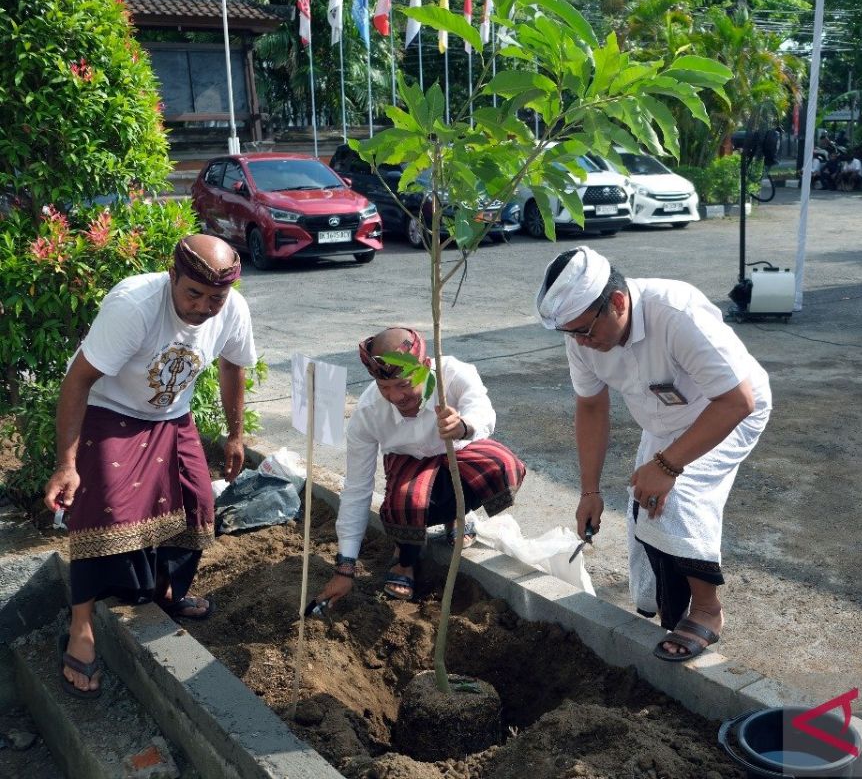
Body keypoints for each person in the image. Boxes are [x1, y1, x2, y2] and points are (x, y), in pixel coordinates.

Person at [43, 234, 257, 698]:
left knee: (197, 503)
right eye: (192, 294)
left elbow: (233, 366)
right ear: (172, 275)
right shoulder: (134, 305)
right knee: (102, 514)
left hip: (170, 413)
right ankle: (82, 625)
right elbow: (78, 381)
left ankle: (165, 592)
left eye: (214, 298)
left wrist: (235, 433)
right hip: (106, 406)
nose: (202, 307)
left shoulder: (233, 308)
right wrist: (67, 463)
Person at [535, 247, 771, 662]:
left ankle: (707, 611)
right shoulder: (582, 337)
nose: (581, 342)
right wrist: (589, 492)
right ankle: (669, 607)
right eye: (570, 334)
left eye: (585, 331)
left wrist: (666, 465)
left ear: (619, 302)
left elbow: (737, 401)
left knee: (674, 498)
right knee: (640, 505)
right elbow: (591, 406)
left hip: (725, 408)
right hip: (664, 421)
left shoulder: (676, 312)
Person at [316, 326, 526, 605]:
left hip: (458, 457)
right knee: (405, 503)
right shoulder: (368, 413)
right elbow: (357, 488)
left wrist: (463, 426)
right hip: (408, 471)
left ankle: (460, 515)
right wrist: (345, 568)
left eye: (403, 385)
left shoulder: (453, 373)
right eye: (385, 388)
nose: (396, 397)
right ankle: (404, 560)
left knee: (502, 465)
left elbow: (483, 410)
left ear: (425, 367)